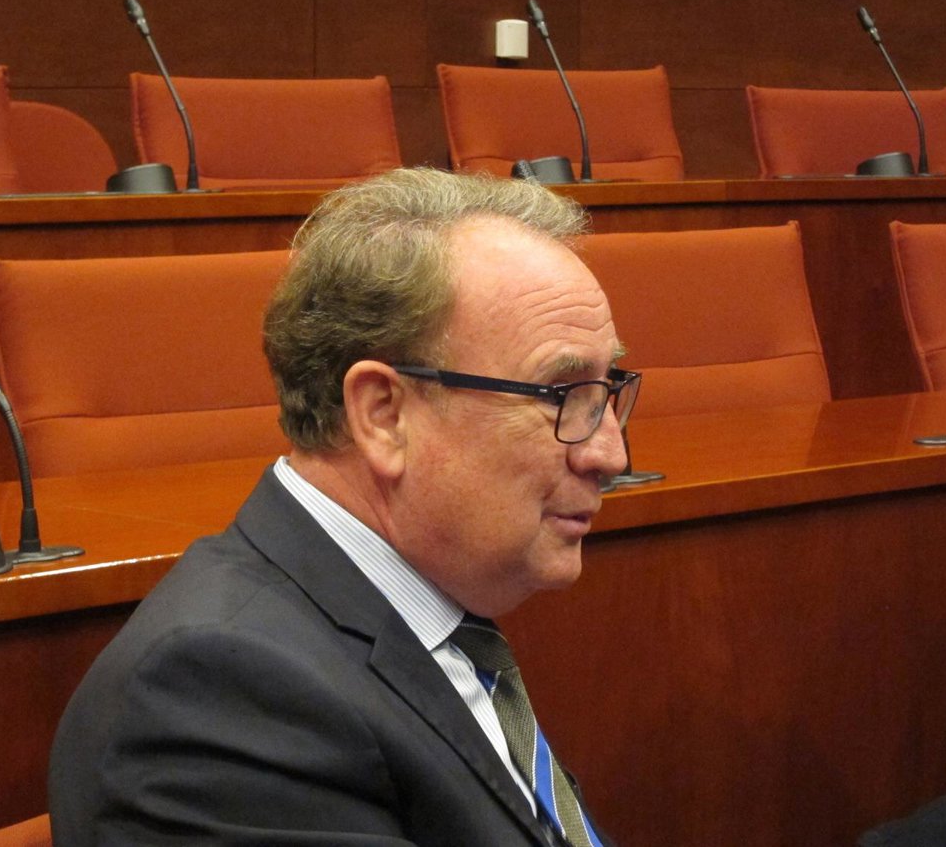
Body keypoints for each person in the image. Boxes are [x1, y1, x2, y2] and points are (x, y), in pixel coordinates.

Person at [48, 167, 638, 844]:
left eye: (606, 392)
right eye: (563, 396)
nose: (610, 455)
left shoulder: (431, 604)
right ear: (384, 415)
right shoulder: (221, 694)